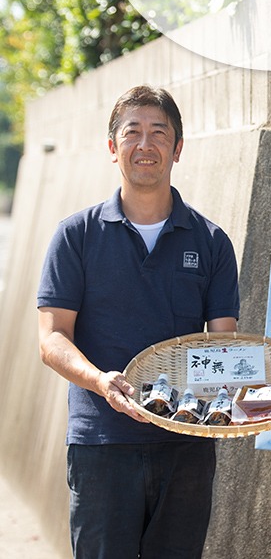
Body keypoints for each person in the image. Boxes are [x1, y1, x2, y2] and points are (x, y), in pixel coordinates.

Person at [37, 85, 240, 559]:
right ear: (113, 148)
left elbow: (223, 348)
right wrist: (100, 381)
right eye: (132, 133)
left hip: (186, 448)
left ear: (178, 148)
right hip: (101, 444)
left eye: (159, 133)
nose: (145, 145)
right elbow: (52, 339)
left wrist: (246, 398)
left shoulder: (212, 243)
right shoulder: (76, 236)